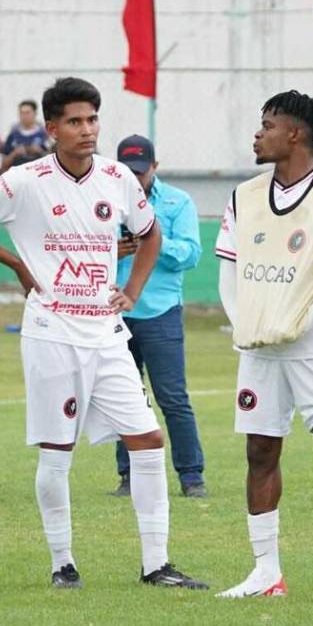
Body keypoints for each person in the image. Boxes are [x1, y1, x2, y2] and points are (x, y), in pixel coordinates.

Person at [0, 76, 207, 591]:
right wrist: (16, 265)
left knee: (148, 440)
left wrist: (131, 289)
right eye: (74, 122)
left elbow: (150, 234)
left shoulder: (117, 178)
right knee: (56, 450)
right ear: (51, 129)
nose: (87, 130)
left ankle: (157, 564)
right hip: (51, 333)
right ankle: (63, 563)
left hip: (107, 333)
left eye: (92, 120)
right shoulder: (26, 180)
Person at [214, 90, 313, 604]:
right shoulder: (243, 196)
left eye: (267, 125)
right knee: (259, 451)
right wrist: (246, 324)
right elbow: (229, 272)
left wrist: (300, 321)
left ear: (295, 134)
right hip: (259, 348)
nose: (257, 134)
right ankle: (265, 573)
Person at [109, 134, 207, 499]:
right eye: (127, 172)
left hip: (160, 311)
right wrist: (116, 250)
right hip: (116, 310)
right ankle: (129, 476)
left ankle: (191, 475)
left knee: (172, 397)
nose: (135, 180)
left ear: (155, 167)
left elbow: (191, 254)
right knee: (124, 397)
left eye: (141, 171)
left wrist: (152, 239)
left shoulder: (177, 202)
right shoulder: (105, 200)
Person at [0, 99, 50, 171]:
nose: (24, 116)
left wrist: (40, 152)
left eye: (27, 113)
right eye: (21, 113)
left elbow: (53, 161)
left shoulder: (44, 134)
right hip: (18, 177)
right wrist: (14, 154)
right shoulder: (13, 135)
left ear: (35, 113)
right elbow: (3, 164)